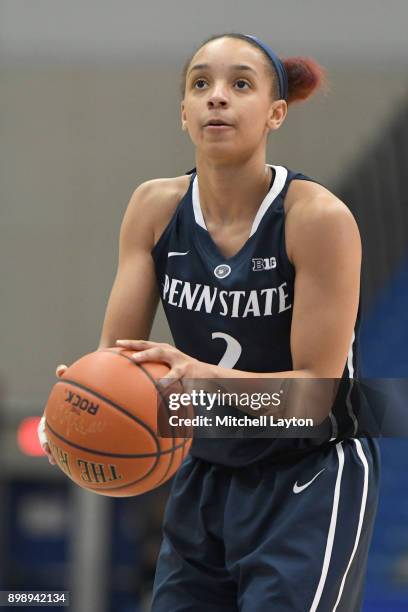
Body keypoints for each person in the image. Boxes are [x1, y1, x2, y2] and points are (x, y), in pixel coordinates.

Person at [39, 33, 380, 611]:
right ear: (183, 113)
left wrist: (200, 383)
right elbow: (117, 359)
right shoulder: (154, 207)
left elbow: (313, 398)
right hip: (207, 470)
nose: (216, 97)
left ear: (276, 114)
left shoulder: (316, 217)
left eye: (239, 84)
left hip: (308, 472)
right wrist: (83, 407)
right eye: (201, 84)